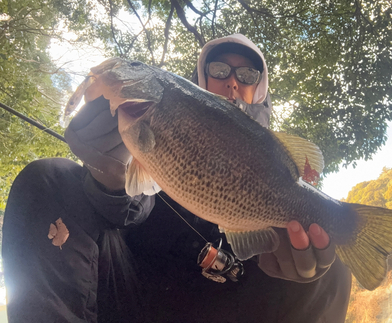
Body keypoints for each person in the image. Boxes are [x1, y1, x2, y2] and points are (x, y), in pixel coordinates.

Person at [2, 34, 351, 323]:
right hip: (135, 297)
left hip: (233, 309)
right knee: (49, 179)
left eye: (247, 74)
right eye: (219, 69)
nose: (232, 80)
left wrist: (299, 268)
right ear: (200, 80)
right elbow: (129, 207)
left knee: (331, 265)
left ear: (260, 89)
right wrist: (108, 173)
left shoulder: (279, 165)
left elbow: (294, 233)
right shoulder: (155, 122)